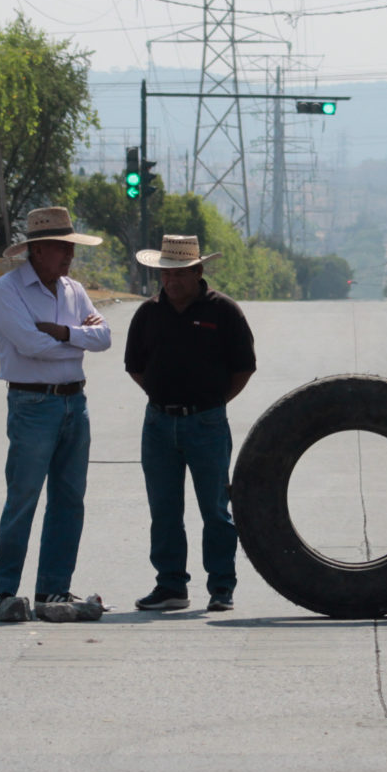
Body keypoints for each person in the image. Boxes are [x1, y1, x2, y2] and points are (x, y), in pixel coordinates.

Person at [0, 206, 110, 623]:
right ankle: (2, 590)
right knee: (23, 498)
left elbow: (105, 336)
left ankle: (52, 589)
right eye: (61, 248)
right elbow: (29, 345)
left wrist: (63, 333)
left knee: (69, 499)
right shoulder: (8, 289)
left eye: (70, 248)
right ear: (37, 250)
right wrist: (80, 339)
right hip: (33, 403)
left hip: (75, 401)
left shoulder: (72, 290)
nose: (68, 256)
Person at [124, 236, 257, 613]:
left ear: (198, 271)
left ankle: (221, 587)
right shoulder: (148, 313)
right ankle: (170, 586)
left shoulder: (224, 312)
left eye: (178, 273)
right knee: (164, 510)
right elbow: (134, 366)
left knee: (215, 509)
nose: (170, 281)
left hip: (207, 423)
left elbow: (243, 367)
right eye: (165, 274)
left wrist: (211, 404)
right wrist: (163, 397)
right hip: (159, 424)